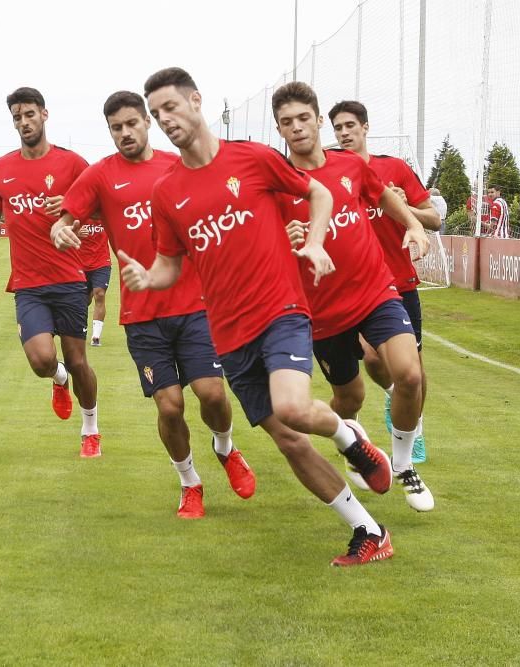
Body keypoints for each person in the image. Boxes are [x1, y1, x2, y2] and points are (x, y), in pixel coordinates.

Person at [121, 67, 397, 566]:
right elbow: (168, 267)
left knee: (293, 408)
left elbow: (319, 192)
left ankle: (348, 437)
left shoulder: (251, 158)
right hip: (228, 334)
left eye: (171, 107)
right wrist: (147, 278)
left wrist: (313, 241)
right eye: (156, 113)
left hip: (281, 312)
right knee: (289, 441)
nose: (164, 119)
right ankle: (369, 531)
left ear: (196, 101)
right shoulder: (167, 193)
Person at [51, 90, 256, 518]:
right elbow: (65, 216)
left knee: (212, 394)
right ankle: (190, 483)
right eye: (115, 128)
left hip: (195, 305)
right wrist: (60, 230)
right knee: (170, 405)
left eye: (131, 123)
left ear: (147, 121)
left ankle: (225, 447)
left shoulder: (176, 165)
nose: (125, 133)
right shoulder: (100, 175)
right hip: (142, 316)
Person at [274, 82, 434, 512]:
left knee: (410, 374)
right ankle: (354, 448)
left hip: (375, 291)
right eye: (287, 122)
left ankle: (402, 465)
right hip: (322, 311)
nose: (297, 127)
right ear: (279, 129)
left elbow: (381, 194)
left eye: (304, 118)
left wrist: (414, 226)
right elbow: (265, 248)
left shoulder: (348, 165)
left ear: (317, 120)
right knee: (351, 397)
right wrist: (284, 238)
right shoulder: (276, 185)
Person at [0, 86, 102, 458]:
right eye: (17, 117)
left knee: (79, 361)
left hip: (68, 278)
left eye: (29, 114)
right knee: (41, 361)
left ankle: (91, 427)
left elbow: (98, 208)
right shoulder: (1, 168)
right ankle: (57, 379)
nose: (24, 122)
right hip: (29, 283)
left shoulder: (73, 164)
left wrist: (71, 209)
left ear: (44, 115)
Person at [329, 100, 441, 466]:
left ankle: (415, 430)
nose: (344, 133)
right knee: (373, 357)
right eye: (338, 128)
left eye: (350, 126)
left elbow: (434, 219)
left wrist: (407, 210)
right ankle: (394, 396)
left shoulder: (393, 168)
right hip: (357, 289)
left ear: (365, 127)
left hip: (400, 283)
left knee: (415, 372)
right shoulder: (331, 173)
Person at [76, 219, 111, 346]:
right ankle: (80, 329)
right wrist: (75, 232)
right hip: (80, 263)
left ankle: (96, 336)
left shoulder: (106, 213)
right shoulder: (78, 212)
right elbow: (61, 229)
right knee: (83, 300)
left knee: (99, 294)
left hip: (101, 262)